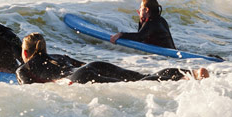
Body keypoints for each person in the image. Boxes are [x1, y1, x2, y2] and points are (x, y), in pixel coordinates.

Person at [16, 33, 208, 85]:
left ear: (25, 53)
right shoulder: (58, 56)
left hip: (76, 79)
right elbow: (82, 65)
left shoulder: (23, 69)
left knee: (139, 84)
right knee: (142, 77)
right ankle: (190, 73)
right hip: (94, 65)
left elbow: (30, 91)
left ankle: (190, 77)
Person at [110, 0, 176, 49]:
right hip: (171, 50)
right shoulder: (161, 20)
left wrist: (120, 34)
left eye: (141, 7)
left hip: (165, 55)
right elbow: (142, 35)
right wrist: (141, 22)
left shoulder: (151, 22)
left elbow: (139, 37)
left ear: (146, 10)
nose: (139, 9)